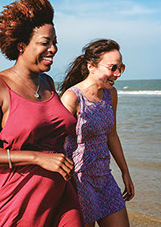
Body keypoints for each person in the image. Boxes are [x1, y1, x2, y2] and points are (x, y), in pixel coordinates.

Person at [0, 0, 84, 226]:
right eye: (45, 43)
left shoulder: (48, 83)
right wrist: (37, 158)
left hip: (60, 192)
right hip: (16, 199)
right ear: (21, 46)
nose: (53, 49)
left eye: (55, 42)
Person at [59, 39, 135, 226]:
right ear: (91, 66)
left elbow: (112, 135)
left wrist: (125, 172)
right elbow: (56, 142)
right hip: (78, 180)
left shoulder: (111, 94)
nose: (117, 74)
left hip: (104, 178)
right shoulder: (72, 97)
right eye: (112, 68)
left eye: (121, 67)